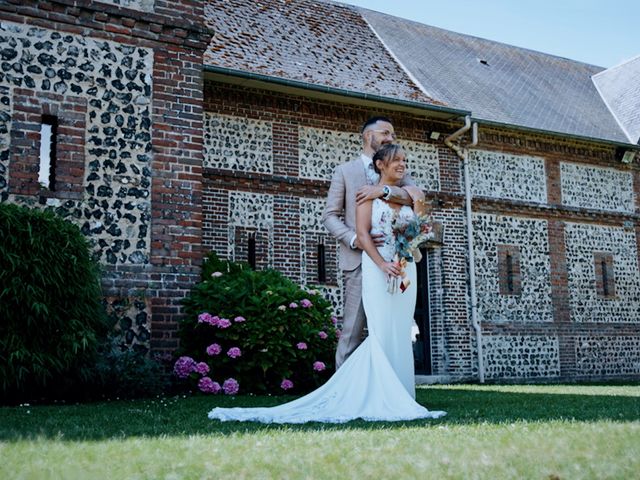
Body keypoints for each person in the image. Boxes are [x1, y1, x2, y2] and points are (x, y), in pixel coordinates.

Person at [207, 144, 446, 423]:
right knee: (381, 330)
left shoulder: (410, 195)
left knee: (400, 328)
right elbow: (363, 234)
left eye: (405, 160)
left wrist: (412, 226)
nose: (402, 165)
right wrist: (382, 264)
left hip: (406, 269)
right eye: (396, 161)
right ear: (380, 165)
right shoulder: (365, 196)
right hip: (378, 266)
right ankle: (376, 395)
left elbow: (424, 227)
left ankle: (403, 395)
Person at [322, 116, 415, 369]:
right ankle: (343, 391)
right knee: (352, 329)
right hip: (358, 263)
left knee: (392, 326)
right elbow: (330, 216)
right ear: (368, 136)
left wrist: (382, 191)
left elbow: (415, 195)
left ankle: (387, 386)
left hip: (396, 263)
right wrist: (355, 239)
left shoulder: (397, 169)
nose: (390, 138)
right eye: (386, 133)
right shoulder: (345, 171)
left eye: (393, 135)